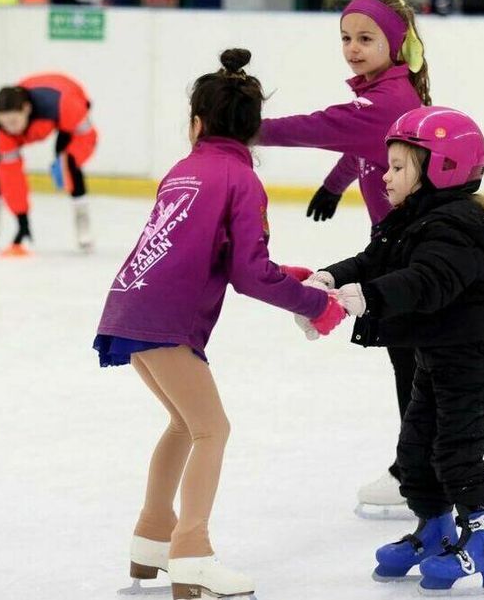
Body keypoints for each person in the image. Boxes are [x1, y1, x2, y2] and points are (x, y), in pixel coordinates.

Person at [93, 48, 348, 600]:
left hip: (129, 307)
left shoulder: (184, 169)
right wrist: (315, 305)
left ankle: (151, 539)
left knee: (185, 425)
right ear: (253, 129)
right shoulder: (241, 179)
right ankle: (192, 552)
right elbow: (249, 275)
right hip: (165, 320)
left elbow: (228, 258)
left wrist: (294, 277)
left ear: (196, 124)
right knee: (212, 429)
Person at [305, 107, 484, 593]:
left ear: (441, 169)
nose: (386, 176)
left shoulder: (456, 229)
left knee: (456, 454)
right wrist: (331, 277)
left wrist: (370, 297)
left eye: (399, 167)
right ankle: (435, 531)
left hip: (471, 364)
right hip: (436, 359)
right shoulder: (413, 220)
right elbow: (373, 259)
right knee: (416, 448)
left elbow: (428, 282)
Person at [256, 0, 429, 518]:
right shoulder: (390, 92)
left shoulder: (384, 101)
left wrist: (238, 126)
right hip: (399, 241)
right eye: (346, 38)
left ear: (394, 44)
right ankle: (418, 466)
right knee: (412, 361)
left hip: (406, 247)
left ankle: (415, 474)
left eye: (365, 39)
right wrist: (336, 184)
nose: (352, 49)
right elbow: (364, 148)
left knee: (411, 363)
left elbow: (316, 128)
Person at [0, 73, 97, 256]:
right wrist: (22, 219)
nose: (10, 128)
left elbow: (87, 138)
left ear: (26, 109)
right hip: (46, 106)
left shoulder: (68, 106)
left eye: (14, 121)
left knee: (68, 164)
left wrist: (70, 159)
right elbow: (11, 175)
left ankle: (82, 218)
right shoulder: (6, 127)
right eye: (4, 122)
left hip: (68, 101)